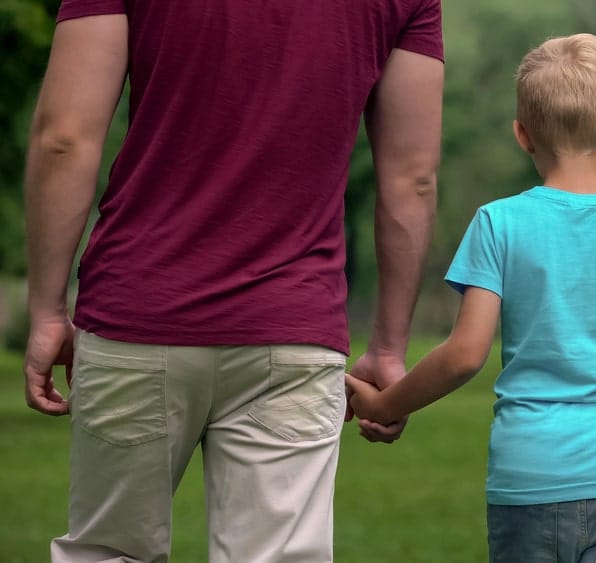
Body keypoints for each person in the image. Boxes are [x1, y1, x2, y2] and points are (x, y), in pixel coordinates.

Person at [22, 1, 443, 561]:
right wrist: (388, 346)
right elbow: (411, 176)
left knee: (107, 552)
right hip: (293, 327)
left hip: (139, 311)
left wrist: (48, 310)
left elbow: (65, 139)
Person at [345, 33, 596, 563]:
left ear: (522, 135)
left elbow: (464, 354)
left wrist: (385, 404)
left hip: (528, 477)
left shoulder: (498, 224)